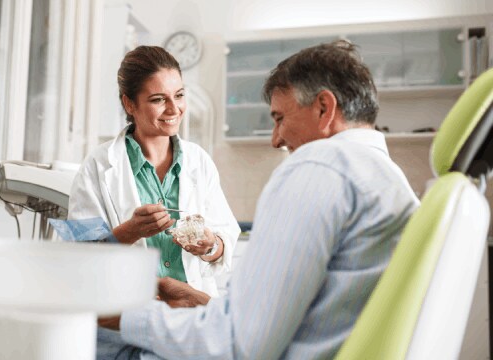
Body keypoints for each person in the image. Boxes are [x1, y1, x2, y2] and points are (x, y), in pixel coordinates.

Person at [99, 40, 420, 359]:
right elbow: (298, 319)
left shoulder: (319, 167)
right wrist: (206, 305)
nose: (275, 139)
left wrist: (131, 316)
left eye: (280, 118)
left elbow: (237, 345)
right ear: (130, 105)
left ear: (324, 108)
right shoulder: (389, 180)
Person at [68, 45, 240, 297]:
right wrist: (130, 231)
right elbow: (78, 255)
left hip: (191, 312)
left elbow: (226, 239)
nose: (174, 109)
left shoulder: (199, 161)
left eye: (179, 95)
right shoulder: (97, 165)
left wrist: (210, 244)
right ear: (129, 104)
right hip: (127, 311)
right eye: (158, 99)